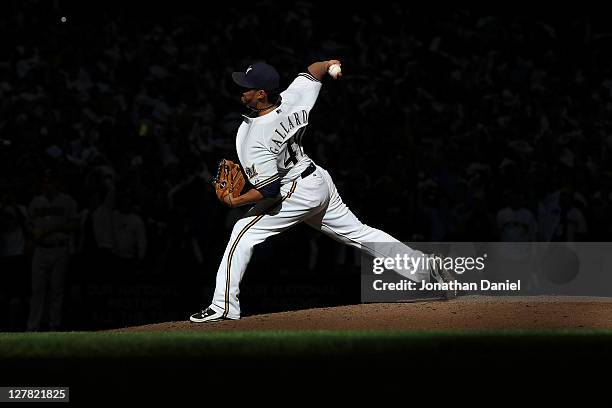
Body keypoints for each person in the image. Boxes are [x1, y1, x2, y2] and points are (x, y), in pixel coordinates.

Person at [190, 60, 453, 323]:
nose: (241, 91)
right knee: (359, 233)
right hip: (317, 179)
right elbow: (313, 70)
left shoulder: (251, 135)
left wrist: (235, 200)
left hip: (293, 190)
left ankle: (223, 306)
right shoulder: (293, 96)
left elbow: (269, 190)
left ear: (262, 94)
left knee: (241, 232)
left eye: (247, 88)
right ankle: (427, 270)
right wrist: (330, 64)